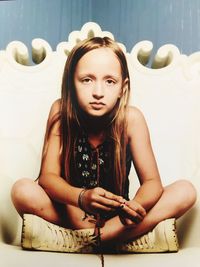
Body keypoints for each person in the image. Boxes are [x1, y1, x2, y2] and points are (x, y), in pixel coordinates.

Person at [11, 37, 196, 256]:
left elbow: (152, 182)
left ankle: (90, 239)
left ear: (122, 87)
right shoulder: (61, 112)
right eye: (87, 80)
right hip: (72, 213)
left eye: (109, 81)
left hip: (119, 219)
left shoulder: (131, 119)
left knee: (186, 191)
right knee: (22, 190)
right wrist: (81, 197)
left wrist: (134, 207)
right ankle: (122, 241)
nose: (98, 91)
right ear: (71, 83)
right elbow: (48, 178)